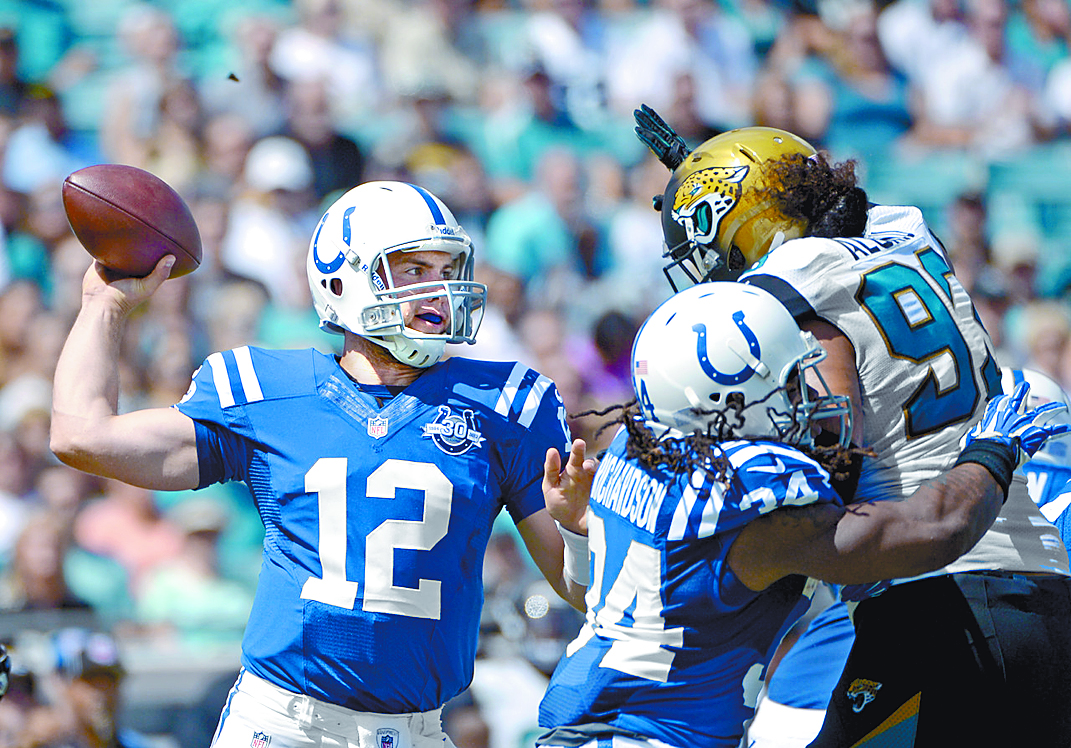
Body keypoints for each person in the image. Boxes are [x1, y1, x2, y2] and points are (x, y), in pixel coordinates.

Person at [49, 180, 589, 748]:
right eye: (413, 269)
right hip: (283, 727)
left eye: (446, 268)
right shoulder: (268, 391)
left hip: (418, 730)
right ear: (342, 279)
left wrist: (577, 531)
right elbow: (81, 435)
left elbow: (581, 590)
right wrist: (104, 304)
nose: (439, 290)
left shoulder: (507, 405)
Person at [633, 109, 1071, 744]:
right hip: (1046, 593)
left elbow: (835, 457)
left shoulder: (792, 286)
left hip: (939, 597)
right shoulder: (905, 229)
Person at [534, 281, 1071, 748]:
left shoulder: (637, 455)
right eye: (791, 382)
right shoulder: (749, 507)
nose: (808, 396)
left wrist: (581, 533)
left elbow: (595, 600)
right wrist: (992, 452)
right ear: (726, 400)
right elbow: (932, 530)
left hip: (583, 727)